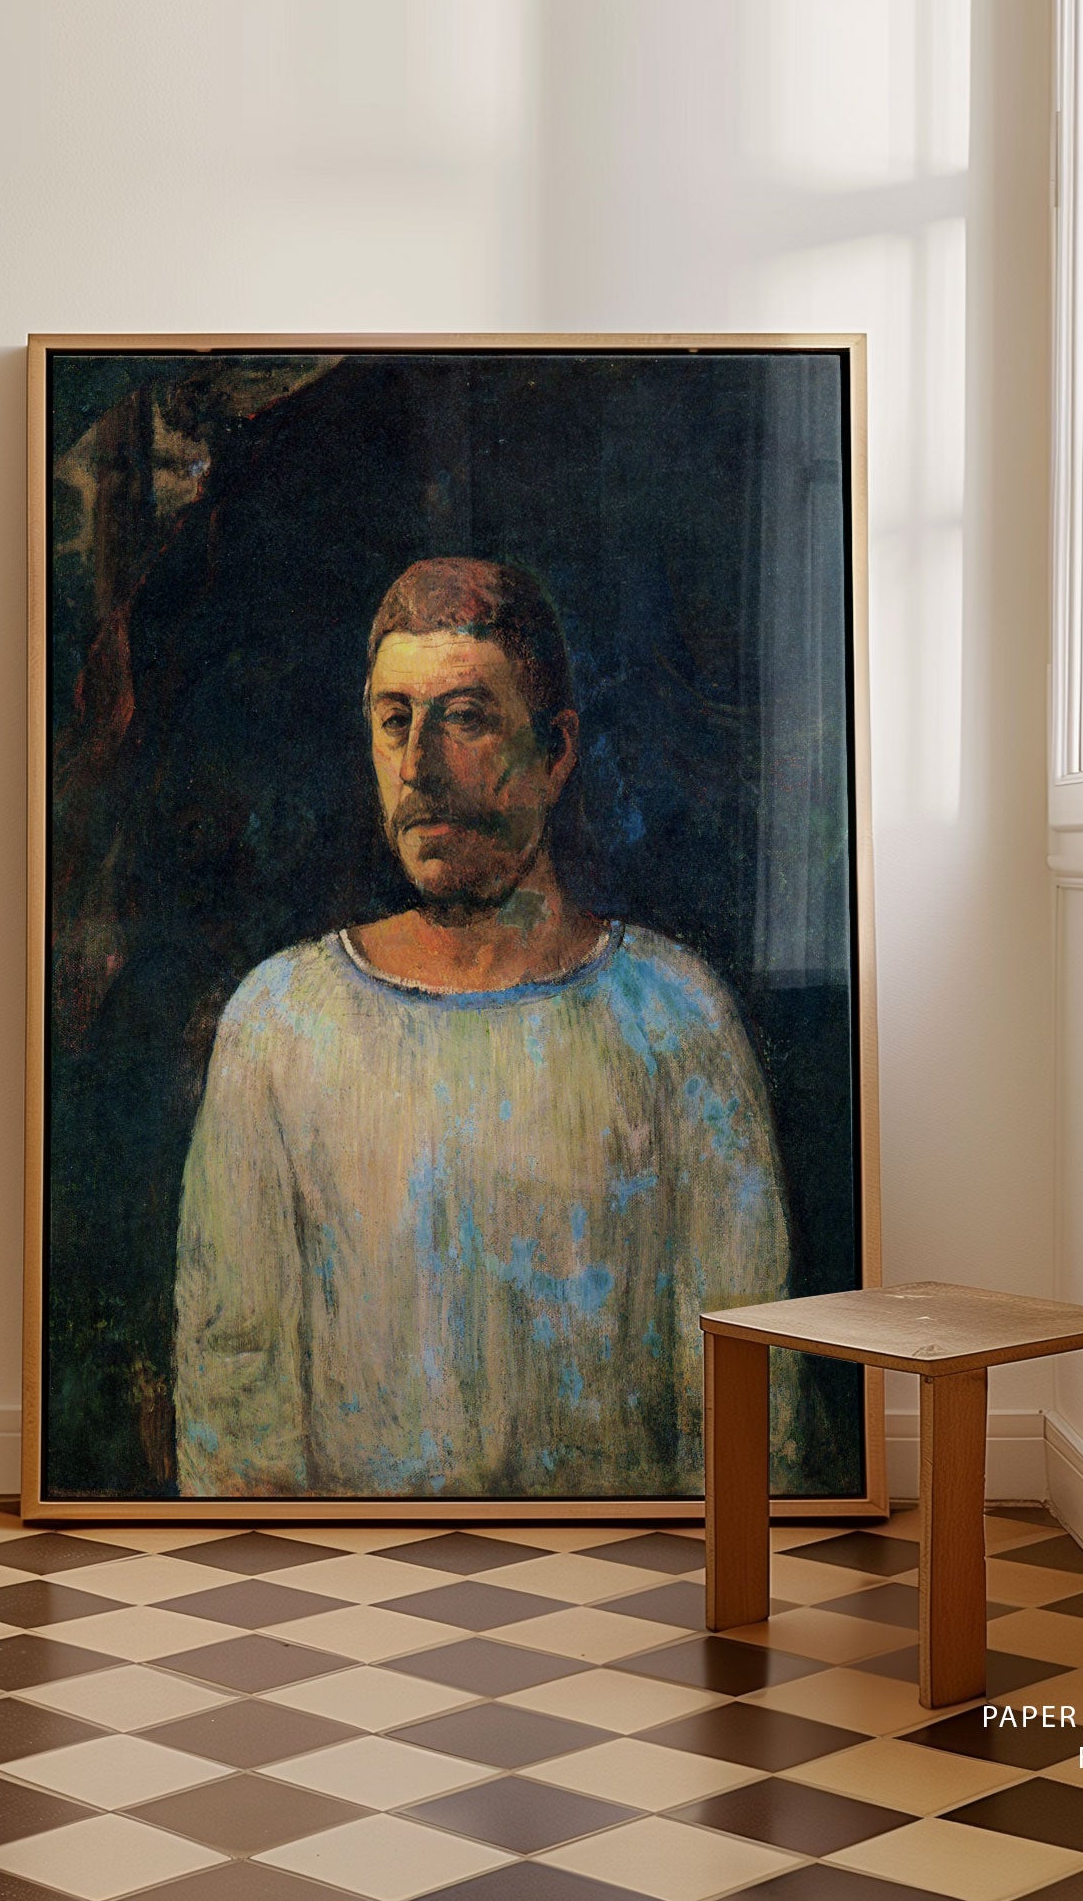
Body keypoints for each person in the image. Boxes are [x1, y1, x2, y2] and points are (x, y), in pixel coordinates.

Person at [173, 556, 801, 1498]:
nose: (418, 766)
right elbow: (233, 1383)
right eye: (395, 721)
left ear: (556, 751)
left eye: (464, 717)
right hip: (349, 1573)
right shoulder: (279, 1024)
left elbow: (747, 1393)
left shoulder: (675, 1018)